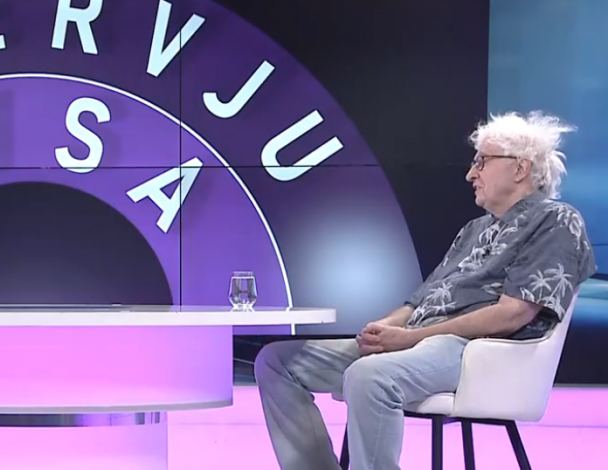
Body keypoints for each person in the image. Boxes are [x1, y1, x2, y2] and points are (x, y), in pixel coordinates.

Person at [254, 111, 597, 470]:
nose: (471, 174)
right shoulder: (474, 229)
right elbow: (419, 302)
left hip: (471, 350)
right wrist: (385, 328)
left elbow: (512, 314)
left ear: (520, 168)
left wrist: (410, 337)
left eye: (482, 161)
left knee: (369, 377)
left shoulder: (556, 221)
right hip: (417, 341)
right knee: (277, 363)